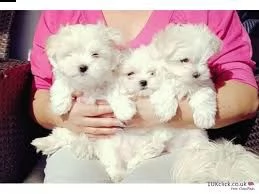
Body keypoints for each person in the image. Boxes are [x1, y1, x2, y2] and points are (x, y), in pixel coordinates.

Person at [30, 10, 259, 183]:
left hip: (168, 143)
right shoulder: (60, 11)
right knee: (71, 178)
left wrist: (160, 114)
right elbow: (41, 96)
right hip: (87, 141)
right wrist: (68, 117)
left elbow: (246, 96)